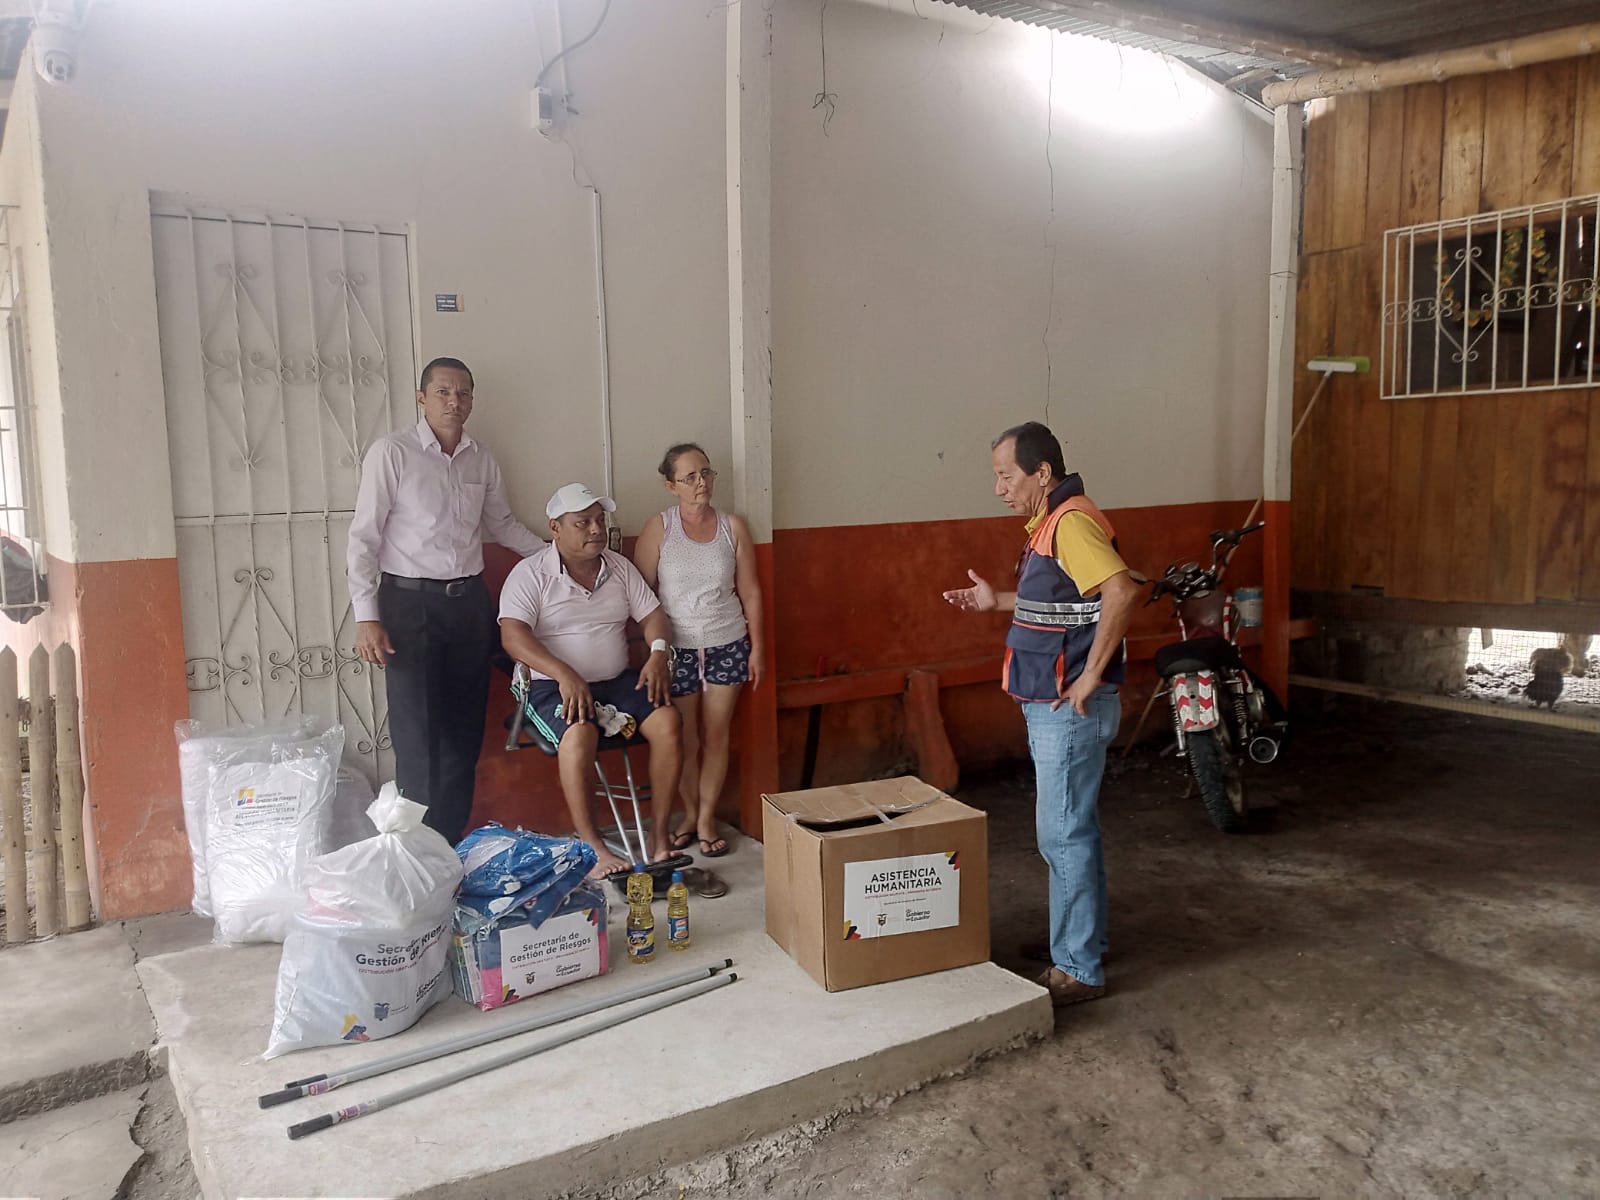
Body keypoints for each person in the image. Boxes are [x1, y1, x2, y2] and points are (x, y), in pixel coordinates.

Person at [942, 421, 1139, 1006]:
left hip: (1068, 708)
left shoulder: (1070, 522)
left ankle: (1077, 966)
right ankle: (1079, 941)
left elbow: (1121, 591)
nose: (1000, 489)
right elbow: (1067, 602)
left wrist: (1091, 675)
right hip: (1055, 706)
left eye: (1007, 476)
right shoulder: (1052, 523)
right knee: (1072, 830)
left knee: (1062, 834)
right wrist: (996, 601)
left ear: (1043, 473)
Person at [348, 357, 545, 845]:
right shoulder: (393, 453)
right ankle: (415, 850)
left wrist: (556, 557)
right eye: (442, 392)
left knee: (463, 733)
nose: (453, 401)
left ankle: (449, 847)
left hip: (468, 605)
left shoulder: (482, 459)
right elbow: (364, 538)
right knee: (418, 739)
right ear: (422, 398)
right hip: (408, 606)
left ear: (472, 400)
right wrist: (366, 616)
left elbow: (502, 525)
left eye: (462, 393)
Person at [498, 484, 682, 879]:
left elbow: (653, 617)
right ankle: (592, 845)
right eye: (582, 523)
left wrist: (658, 653)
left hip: (614, 681)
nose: (596, 529)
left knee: (668, 722)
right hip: (549, 684)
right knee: (579, 734)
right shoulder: (530, 574)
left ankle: (659, 835)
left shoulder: (619, 567)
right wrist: (565, 674)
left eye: (599, 520)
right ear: (555, 528)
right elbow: (512, 636)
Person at [632, 443, 765, 858]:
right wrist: (652, 650)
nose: (701, 483)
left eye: (705, 473)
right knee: (686, 739)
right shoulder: (660, 528)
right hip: (678, 649)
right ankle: (690, 814)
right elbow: (641, 596)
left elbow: (750, 591)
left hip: (728, 642)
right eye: (689, 477)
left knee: (717, 734)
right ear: (671, 485)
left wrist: (757, 648)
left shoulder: (732, 527)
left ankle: (707, 818)